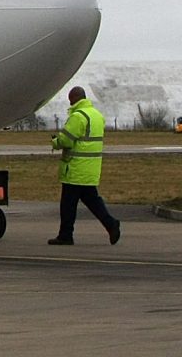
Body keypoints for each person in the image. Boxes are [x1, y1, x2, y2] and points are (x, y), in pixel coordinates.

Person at [48, 86, 120, 245]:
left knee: (68, 204)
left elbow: (66, 140)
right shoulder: (97, 116)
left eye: (70, 99)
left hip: (75, 168)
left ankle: (66, 235)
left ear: (74, 98)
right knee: (92, 201)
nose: (69, 103)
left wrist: (55, 142)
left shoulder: (78, 116)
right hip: (91, 167)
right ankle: (110, 224)